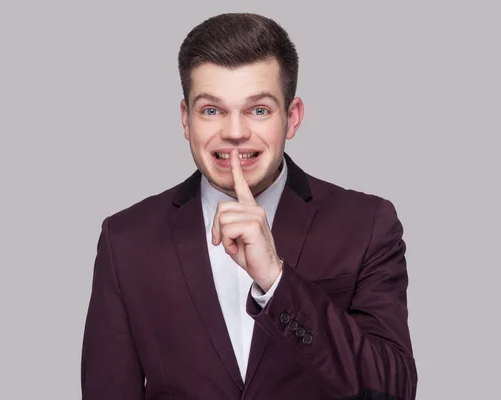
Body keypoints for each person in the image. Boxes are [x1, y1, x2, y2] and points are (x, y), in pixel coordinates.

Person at [81, 12, 417, 400]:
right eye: (211, 110)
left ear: (292, 118)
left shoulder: (367, 225)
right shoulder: (126, 240)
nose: (236, 132)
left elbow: (394, 390)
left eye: (258, 110)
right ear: (186, 120)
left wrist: (276, 282)